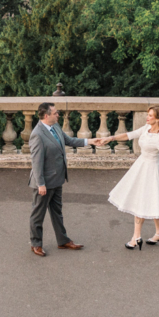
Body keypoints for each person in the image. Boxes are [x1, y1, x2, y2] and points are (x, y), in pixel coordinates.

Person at [28, 101, 109, 256]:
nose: (58, 114)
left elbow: (70, 141)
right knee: (38, 214)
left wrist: (91, 141)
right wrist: (41, 184)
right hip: (44, 183)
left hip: (57, 179)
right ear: (46, 115)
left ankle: (63, 241)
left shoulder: (56, 127)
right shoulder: (37, 135)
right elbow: (36, 162)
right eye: (55, 113)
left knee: (57, 212)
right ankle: (35, 244)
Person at [107, 106, 159, 250]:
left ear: (158, 119)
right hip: (140, 167)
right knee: (152, 201)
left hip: (151, 171)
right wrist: (111, 138)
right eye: (148, 115)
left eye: (150, 116)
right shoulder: (146, 128)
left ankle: (135, 238)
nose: (147, 117)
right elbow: (129, 135)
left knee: (141, 202)